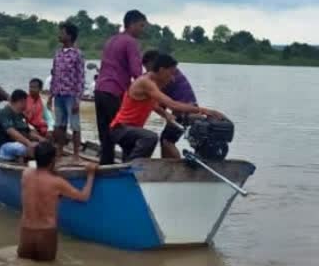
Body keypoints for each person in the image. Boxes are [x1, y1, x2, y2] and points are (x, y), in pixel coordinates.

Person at [110, 53, 223, 162]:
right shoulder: (146, 82)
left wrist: (165, 114)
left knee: (131, 156)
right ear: (162, 70)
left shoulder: (153, 83)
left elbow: (152, 104)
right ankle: (131, 171)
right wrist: (204, 110)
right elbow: (172, 104)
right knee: (150, 137)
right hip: (121, 129)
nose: (173, 78)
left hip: (132, 131)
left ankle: (129, 171)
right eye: (171, 73)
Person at [18, 141, 97, 262]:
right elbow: (84, 196)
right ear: (52, 161)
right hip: (45, 233)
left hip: (26, 232)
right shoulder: (57, 182)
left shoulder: (26, 174)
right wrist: (91, 174)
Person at [94, 10, 147, 164]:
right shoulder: (131, 42)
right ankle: (126, 167)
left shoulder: (111, 40)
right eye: (141, 26)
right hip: (114, 92)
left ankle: (105, 166)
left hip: (99, 90)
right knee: (125, 134)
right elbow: (137, 72)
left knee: (106, 135)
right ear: (132, 24)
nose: (142, 30)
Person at [142, 49, 198, 158]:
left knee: (167, 141)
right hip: (187, 109)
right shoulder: (170, 71)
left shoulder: (166, 74)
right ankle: (166, 166)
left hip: (183, 111)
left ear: (153, 62)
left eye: (147, 67)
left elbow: (158, 99)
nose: (148, 70)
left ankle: (177, 168)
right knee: (165, 140)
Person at [47, 22, 85, 160]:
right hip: (58, 94)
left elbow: (80, 78)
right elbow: (54, 75)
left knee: (75, 126)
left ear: (69, 36)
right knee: (59, 125)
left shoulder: (77, 54)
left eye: (62, 33)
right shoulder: (57, 54)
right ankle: (59, 151)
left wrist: (77, 100)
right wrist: (50, 96)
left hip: (71, 95)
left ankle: (76, 154)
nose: (59, 35)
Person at [0, 89, 44, 162]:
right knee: (21, 148)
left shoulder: (21, 115)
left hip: (21, 143)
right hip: (4, 147)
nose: (27, 104)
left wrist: (40, 138)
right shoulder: (5, 113)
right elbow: (11, 132)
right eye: (26, 102)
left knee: (42, 146)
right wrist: (28, 143)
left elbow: (28, 132)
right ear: (21, 101)